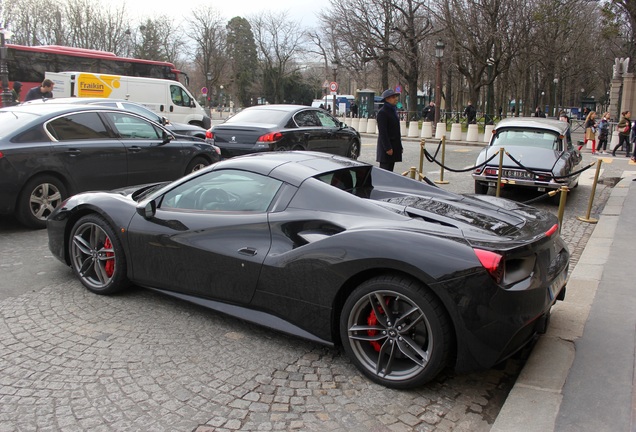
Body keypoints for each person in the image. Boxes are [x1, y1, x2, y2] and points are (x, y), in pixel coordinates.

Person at [376, 88, 403, 172]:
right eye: (393, 97)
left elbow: (396, 131)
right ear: (387, 99)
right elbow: (383, 132)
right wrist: (387, 148)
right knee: (385, 172)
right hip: (387, 149)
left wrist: (399, 146)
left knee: (390, 172)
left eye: (395, 97)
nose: (396, 99)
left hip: (393, 145)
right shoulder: (382, 112)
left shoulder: (393, 111)